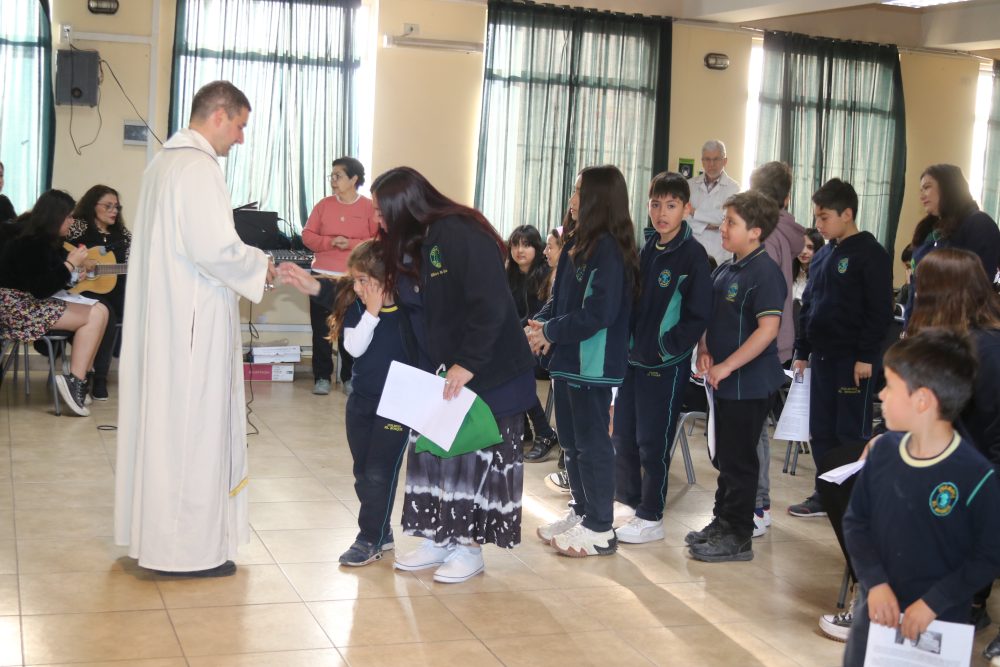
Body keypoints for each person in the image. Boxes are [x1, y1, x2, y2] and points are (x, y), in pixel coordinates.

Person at [114, 80, 275, 577]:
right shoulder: (198, 167)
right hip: (191, 327)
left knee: (165, 435)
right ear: (220, 115)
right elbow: (214, 249)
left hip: (167, 318)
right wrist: (261, 264)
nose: (241, 139)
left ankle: (155, 538)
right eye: (241, 126)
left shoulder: (163, 163)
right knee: (191, 434)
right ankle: (186, 552)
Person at [371, 167, 536, 584]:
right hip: (441, 375)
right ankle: (438, 537)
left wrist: (469, 362)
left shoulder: (459, 232)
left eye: (383, 211)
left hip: (488, 372)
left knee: (474, 462)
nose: (379, 220)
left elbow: (491, 303)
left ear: (404, 207)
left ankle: (469, 548)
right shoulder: (409, 244)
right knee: (435, 460)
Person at [841, 329, 1000, 666]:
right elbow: (856, 523)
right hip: (876, 616)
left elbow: (988, 555)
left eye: (890, 386)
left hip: (936, 621)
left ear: (923, 400)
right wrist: (876, 583)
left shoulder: (976, 475)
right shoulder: (882, 452)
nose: (881, 394)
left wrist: (934, 602)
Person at [528, 165, 636, 558]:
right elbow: (561, 302)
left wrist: (551, 332)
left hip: (593, 363)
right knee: (571, 444)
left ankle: (601, 527)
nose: (572, 199)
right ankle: (582, 510)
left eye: (579, 191)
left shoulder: (608, 249)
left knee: (592, 445)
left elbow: (600, 313)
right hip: (568, 360)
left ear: (599, 199)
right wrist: (540, 324)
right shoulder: (577, 243)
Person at [612, 172, 712, 544]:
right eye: (656, 204)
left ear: (687, 209)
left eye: (671, 205)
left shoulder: (693, 255)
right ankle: (629, 502)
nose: (661, 213)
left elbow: (697, 315)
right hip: (633, 362)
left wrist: (666, 349)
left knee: (653, 442)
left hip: (664, 367)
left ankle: (652, 515)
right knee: (624, 434)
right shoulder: (648, 248)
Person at [687, 190, 786, 563]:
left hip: (750, 384)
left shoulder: (765, 272)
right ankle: (721, 521)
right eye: (725, 220)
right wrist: (706, 349)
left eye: (731, 222)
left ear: (756, 231)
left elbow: (768, 330)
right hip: (724, 382)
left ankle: (739, 534)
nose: (723, 228)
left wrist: (728, 365)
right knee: (727, 459)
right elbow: (711, 318)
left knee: (741, 461)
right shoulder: (727, 268)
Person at [789, 179, 892, 519]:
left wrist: (866, 356)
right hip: (822, 357)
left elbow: (879, 312)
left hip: (853, 361)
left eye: (825, 217)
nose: (819, 225)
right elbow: (809, 306)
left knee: (848, 432)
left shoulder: (871, 254)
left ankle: (852, 497)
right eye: (816, 218)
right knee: (822, 430)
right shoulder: (823, 257)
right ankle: (825, 492)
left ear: (847, 214)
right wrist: (802, 350)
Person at [0, 190, 109, 416]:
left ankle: (79, 379)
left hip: (31, 304)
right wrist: (69, 266)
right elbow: (40, 289)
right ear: (55, 217)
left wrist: (71, 276)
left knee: (102, 310)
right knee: (96, 314)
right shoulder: (29, 244)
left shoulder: (49, 242)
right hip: (17, 309)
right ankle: (76, 381)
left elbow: (51, 282)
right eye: (69, 216)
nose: (72, 221)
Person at [750, 161, 806, 537]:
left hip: (762, 339)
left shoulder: (766, 235)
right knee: (754, 427)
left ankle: (757, 506)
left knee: (752, 429)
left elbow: (760, 297)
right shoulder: (786, 231)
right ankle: (755, 503)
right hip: (778, 340)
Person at [302, 157, 377, 396]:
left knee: (350, 327)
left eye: (338, 176)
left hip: (352, 279)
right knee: (321, 330)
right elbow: (307, 236)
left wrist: (351, 244)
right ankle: (322, 377)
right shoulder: (323, 205)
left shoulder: (368, 207)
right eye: (331, 176)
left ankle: (349, 378)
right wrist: (329, 241)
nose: (333, 180)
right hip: (322, 276)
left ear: (354, 179)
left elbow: (378, 240)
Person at [907, 164, 1000, 321]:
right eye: (921, 190)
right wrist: (908, 328)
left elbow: (978, 287)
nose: (922, 195)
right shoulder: (929, 230)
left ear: (948, 187)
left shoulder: (978, 223)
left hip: (958, 329)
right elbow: (914, 287)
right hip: (922, 325)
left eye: (927, 187)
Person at [65, 185, 132, 400]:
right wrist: (81, 262)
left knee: (121, 309)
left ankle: (94, 372)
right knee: (105, 311)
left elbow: (132, 264)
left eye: (117, 207)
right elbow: (57, 244)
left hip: (117, 293)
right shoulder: (78, 227)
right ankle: (99, 377)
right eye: (108, 206)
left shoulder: (123, 235)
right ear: (93, 206)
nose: (114, 211)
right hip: (82, 292)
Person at [505, 225, 559, 462]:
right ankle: (526, 427)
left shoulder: (546, 275)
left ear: (537, 249)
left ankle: (543, 431)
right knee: (505, 362)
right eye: (515, 245)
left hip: (546, 346)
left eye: (526, 245)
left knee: (513, 367)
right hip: (523, 344)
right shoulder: (510, 275)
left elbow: (537, 319)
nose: (520, 250)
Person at [687, 140, 741, 266]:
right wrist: (712, 225)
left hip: (720, 255)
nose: (711, 164)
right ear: (702, 161)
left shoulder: (734, 189)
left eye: (716, 159)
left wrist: (694, 212)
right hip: (692, 250)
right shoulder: (689, 185)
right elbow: (683, 219)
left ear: (725, 161)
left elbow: (723, 218)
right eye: (707, 159)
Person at [792, 229, 825, 302]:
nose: (804, 251)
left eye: (810, 247)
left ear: (819, 250)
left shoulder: (822, 275)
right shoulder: (787, 270)